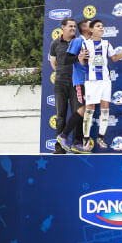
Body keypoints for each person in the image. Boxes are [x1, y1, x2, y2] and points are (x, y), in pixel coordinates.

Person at [79, 19, 122, 151]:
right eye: (98, 26)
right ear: (91, 29)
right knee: (90, 109)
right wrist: (81, 58)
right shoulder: (85, 43)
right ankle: (85, 139)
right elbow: (82, 62)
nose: (101, 28)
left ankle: (101, 137)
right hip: (91, 81)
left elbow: (114, 58)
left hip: (105, 81)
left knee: (105, 108)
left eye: (102, 26)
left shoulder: (106, 43)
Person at [56, 18, 92, 153]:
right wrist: (78, 58)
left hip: (90, 82)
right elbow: (66, 59)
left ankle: (77, 142)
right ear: (84, 28)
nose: (94, 26)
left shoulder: (90, 42)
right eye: (91, 25)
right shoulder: (78, 41)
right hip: (79, 81)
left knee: (84, 111)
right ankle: (64, 136)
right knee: (81, 109)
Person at [49, 17, 77, 153]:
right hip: (60, 83)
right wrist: (62, 73)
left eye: (74, 26)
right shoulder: (55, 44)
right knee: (60, 116)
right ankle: (59, 148)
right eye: (70, 26)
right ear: (63, 27)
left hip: (76, 84)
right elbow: (53, 62)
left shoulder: (79, 42)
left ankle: (77, 146)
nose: (73, 28)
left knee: (77, 115)